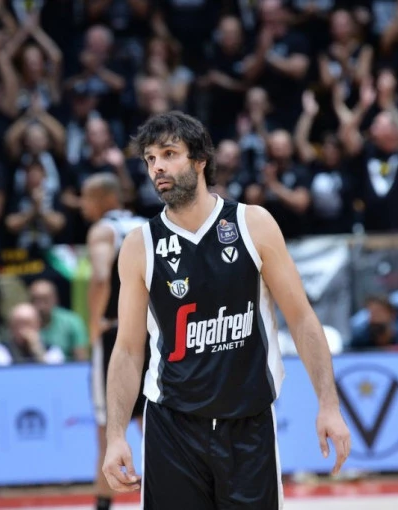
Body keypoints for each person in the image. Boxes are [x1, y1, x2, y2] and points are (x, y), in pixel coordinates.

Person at [102, 111, 351, 509]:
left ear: (200, 160)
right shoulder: (139, 245)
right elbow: (129, 349)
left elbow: (302, 318)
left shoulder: (253, 224)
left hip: (248, 424)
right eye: (150, 158)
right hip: (172, 427)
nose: (157, 166)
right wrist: (116, 435)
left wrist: (329, 405)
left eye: (169, 154)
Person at [81, 172, 149, 510]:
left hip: (118, 335)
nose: (82, 205)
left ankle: (103, 504)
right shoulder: (149, 226)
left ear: (105, 198)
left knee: (109, 429)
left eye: (86, 197)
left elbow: (100, 278)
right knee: (156, 424)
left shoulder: (103, 230)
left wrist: (94, 323)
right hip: (153, 331)